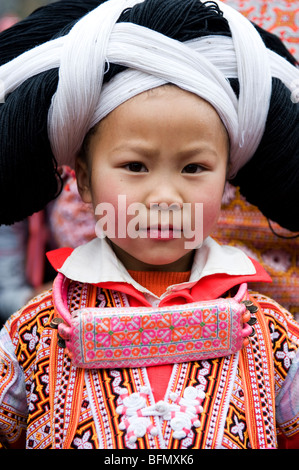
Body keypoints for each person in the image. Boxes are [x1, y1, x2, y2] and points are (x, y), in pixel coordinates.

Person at [0, 0, 299, 450]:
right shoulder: (32, 332)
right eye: (135, 165)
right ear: (82, 178)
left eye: (194, 168)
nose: (164, 197)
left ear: (226, 181)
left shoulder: (274, 334)